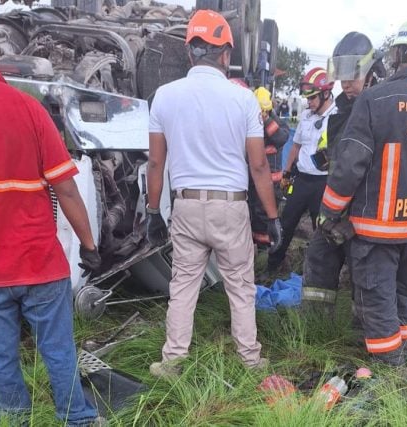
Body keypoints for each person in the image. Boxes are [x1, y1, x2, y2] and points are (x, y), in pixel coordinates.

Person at [0, 4, 102, 425]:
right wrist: (89, 247)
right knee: (57, 350)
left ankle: (15, 420)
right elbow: (68, 190)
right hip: (39, 264)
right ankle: (77, 419)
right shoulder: (27, 107)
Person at [318, 14, 407, 366]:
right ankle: (404, 353)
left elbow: (350, 165)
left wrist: (329, 212)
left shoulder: (376, 100)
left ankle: (392, 375)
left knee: (376, 299)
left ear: (397, 54)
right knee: (402, 297)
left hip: (376, 228)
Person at [145, 10, 282, 377]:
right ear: (225, 55)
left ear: (190, 53)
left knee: (184, 284)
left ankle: (173, 360)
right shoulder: (243, 100)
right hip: (230, 207)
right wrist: (272, 216)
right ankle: (250, 359)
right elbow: (258, 167)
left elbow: (156, 164)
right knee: (240, 285)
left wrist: (152, 211)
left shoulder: (164, 97)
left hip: (185, 204)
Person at [301, 31, 385, 314]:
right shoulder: (346, 107)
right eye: (343, 75)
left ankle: (363, 329)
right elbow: (342, 154)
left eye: (353, 76)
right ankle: (315, 325)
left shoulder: (380, 105)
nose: (346, 83)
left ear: (371, 71)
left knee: (364, 271)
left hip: (367, 206)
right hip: (340, 202)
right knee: (319, 254)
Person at [266, 67, 337, 272]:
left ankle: (321, 274)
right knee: (286, 223)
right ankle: (271, 267)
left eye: (313, 97)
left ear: (325, 94)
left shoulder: (338, 116)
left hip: (324, 184)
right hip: (301, 180)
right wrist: (287, 174)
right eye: (306, 97)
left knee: (322, 231)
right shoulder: (306, 115)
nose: (309, 102)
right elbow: (295, 147)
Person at [250, 86, 290, 248]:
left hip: (271, 187)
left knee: (265, 218)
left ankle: (265, 251)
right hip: (253, 184)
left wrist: (266, 121)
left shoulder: (278, 126)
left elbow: (280, 138)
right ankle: (257, 248)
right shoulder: (252, 125)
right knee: (254, 217)